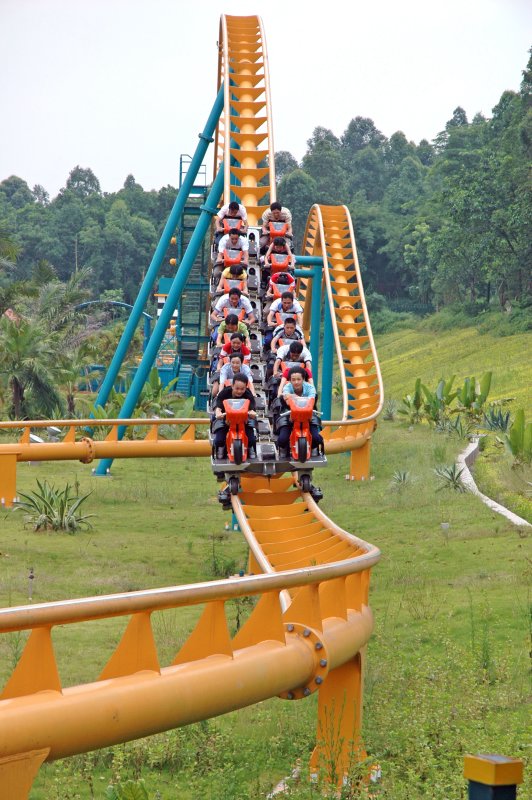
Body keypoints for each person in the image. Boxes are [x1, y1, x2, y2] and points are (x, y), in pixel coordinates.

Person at [276, 367, 323, 458]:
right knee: (282, 439)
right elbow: (287, 400)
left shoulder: (310, 388)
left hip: (308, 413)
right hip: (290, 413)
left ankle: (314, 448)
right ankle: (283, 449)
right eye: (293, 380)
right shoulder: (287, 387)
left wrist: (293, 396)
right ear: (289, 380)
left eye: (299, 379)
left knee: (316, 438)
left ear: (303, 379)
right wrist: (289, 397)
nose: (296, 382)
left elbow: (311, 400)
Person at [212, 374, 257, 459]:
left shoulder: (248, 394)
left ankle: (250, 447)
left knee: (251, 439)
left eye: (242, 389)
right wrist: (218, 412)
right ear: (232, 386)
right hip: (227, 418)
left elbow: (252, 406)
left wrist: (252, 412)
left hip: (243, 420)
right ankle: (220, 448)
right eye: (237, 388)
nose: (239, 391)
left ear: (246, 387)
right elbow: (218, 405)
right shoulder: (225, 392)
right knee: (219, 440)